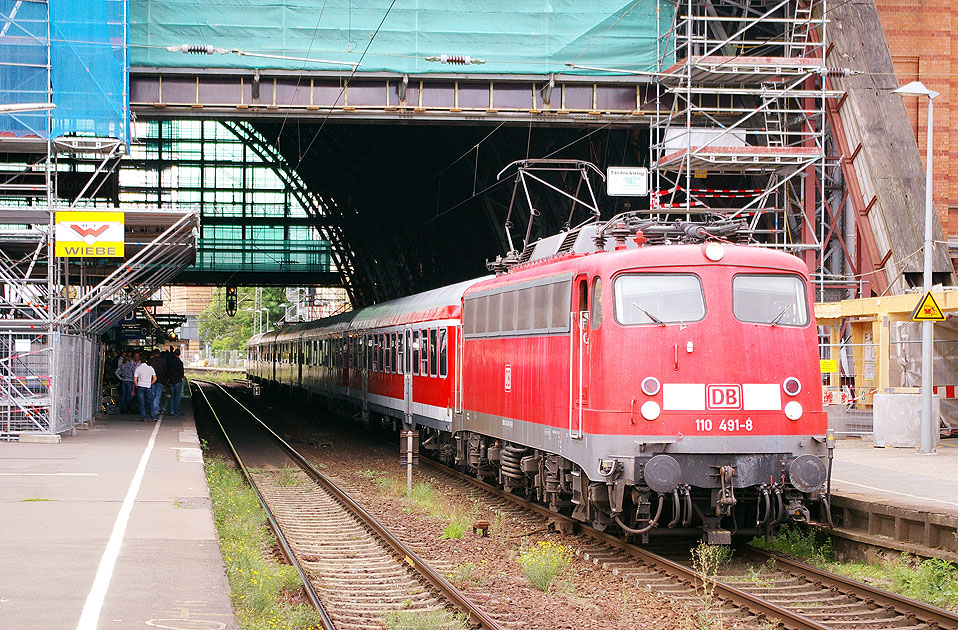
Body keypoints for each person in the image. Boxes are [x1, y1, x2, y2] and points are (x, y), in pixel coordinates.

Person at [133, 357, 157, 421]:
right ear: (146, 361)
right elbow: (155, 378)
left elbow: (135, 380)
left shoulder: (138, 369)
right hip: (148, 386)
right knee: (150, 402)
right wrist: (150, 383)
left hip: (140, 386)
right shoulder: (150, 368)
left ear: (140, 361)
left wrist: (137, 386)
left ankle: (144, 417)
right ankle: (153, 417)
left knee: (141, 402)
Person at [148, 349, 169, 417]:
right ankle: (155, 408)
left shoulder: (150, 361)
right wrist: (166, 379)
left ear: (154, 354)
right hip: (161, 379)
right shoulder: (163, 360)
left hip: (152, 380)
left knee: (153, 394)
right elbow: (166, 369)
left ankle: (155, 407)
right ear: (159, 354)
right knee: (158, 394)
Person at [167, 349, 185, 416]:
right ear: (179, 354)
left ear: (174, 354)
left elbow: (168, 370)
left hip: (171, 380)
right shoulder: (180, 362)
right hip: (178, 380)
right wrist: (181, 376)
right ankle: (177, 411)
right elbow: (181, 372)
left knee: (172, 396)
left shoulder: (170, 361)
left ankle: (171, 411)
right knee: (177, 397)